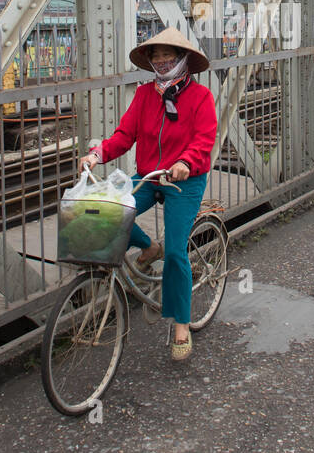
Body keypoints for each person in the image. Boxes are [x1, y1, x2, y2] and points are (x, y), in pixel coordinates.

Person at [79, 27, 216, 361]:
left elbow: (204, 139)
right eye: (155, 55)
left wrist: (186, 161)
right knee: (108, 212)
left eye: (168, 54)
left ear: (183, 59)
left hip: (184, 180)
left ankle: (181, 324)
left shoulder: (200, 98)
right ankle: (147, 246)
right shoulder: (144, 96)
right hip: (150, 176)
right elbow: (124, 135)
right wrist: (98, 154)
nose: (161, 60)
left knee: (175, 253)